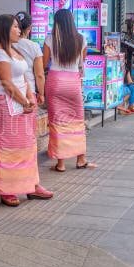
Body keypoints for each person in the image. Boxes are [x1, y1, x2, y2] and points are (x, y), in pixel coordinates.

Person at [0, 14, 53, 207]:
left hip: (23, 102)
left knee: (27, 147)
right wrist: (24, 101)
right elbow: (7, 83)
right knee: (8, 149)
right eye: (15, 27)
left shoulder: (15, 51)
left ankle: (32, 184)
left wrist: (29, 97)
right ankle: (6, 189)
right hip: (6, 106)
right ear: (4, 30)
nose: (19, 30)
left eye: (18, 27)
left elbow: (24, 77)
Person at [42, 9, 96, 172]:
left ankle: (61, 163)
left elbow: (44, 64)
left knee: (58, 122)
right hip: (73, 83)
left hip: (55, 82)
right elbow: (82, 61)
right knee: (77, 121)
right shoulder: (81, 39)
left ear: (56, 22)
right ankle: (81, 159)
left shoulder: (50, 39)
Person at [13, 12, 46, 106]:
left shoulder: (7, 44)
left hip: (11, 91)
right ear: (29, 28)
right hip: (29, 91)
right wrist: (41, 94)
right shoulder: (34, 46)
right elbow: (39, 75)